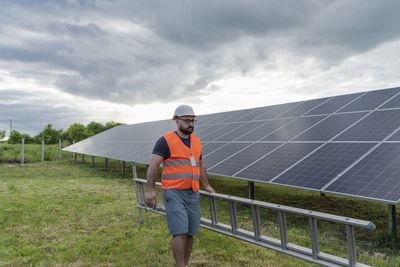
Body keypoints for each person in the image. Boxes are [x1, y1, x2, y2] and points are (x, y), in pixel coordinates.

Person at [145, 104, 215, 267]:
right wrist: (150, 191)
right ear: (176, 121)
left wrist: (207, 185)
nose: (190, 124)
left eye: (193, 121)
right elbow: (153, 165)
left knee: (190, 233)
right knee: (180, 232)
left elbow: (201, 165)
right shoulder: (165, 141)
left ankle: (183, 264)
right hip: (173, 193)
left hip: (193, 193)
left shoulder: (197, 142)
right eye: (187, 120)